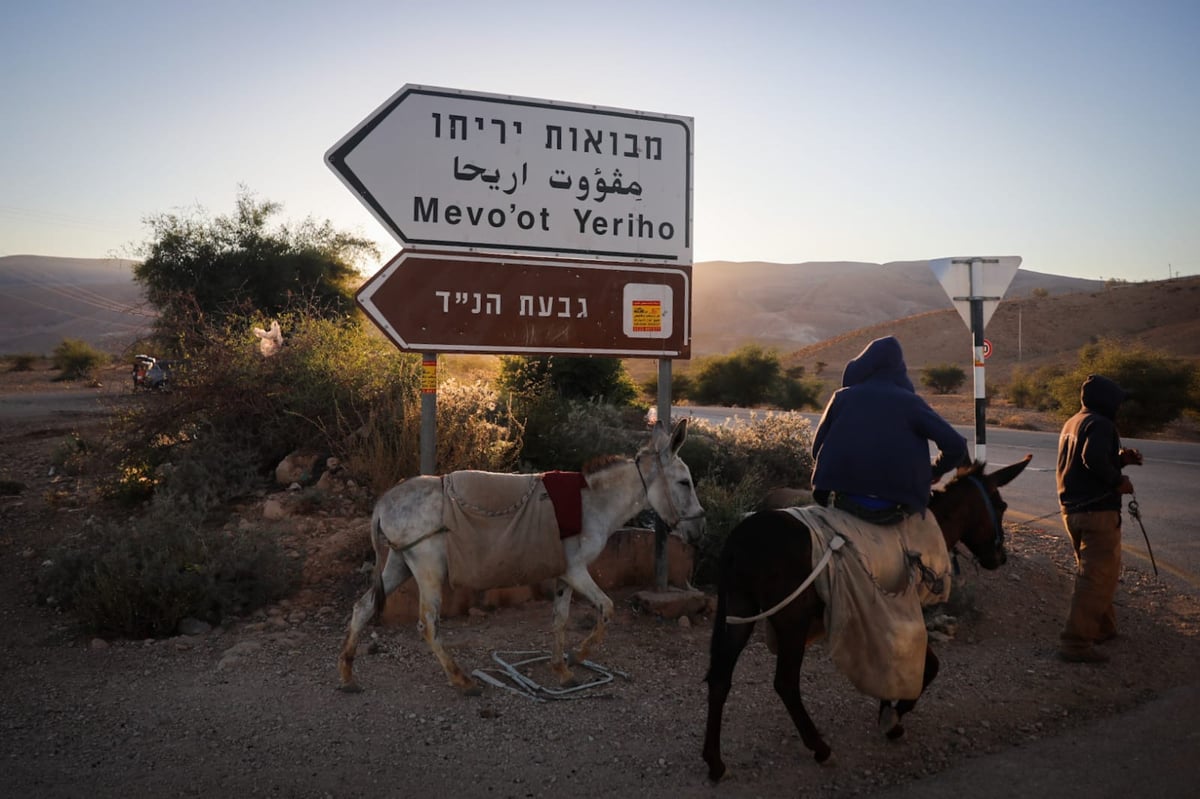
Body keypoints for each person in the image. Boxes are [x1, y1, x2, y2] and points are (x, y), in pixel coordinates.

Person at [811, 335, 970, 522]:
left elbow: (816, 451)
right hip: (895, 507)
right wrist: (934, 472)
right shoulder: (911, 403)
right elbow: (956, 445)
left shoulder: (842, 398)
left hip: (845, 502)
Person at [1056, 374, 1143, 664]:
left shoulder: (1074, 421)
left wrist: (1120, 459)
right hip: (1097, 514)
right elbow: (1091, 458)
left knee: (1096, 573)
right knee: (1096, 578)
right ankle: (1075, 644)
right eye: (1117, 401)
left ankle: (1103, 627)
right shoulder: (1102, 423)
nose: (1119, 407)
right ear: (1107, 402)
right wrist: (1118, 480)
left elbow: (1085, 460)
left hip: (1073, 511)